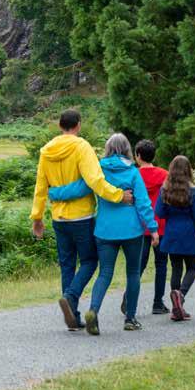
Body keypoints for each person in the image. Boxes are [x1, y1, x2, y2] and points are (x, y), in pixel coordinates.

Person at [30, 111, 134, 331]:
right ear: (78, 125)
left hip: (59, 218)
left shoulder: (46, 151)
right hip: (82, 217)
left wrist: (37, 217)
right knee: (90, 261)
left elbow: (40, 187)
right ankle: (70, 297)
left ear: (60, 125)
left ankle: (73, 316)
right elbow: (95, 180)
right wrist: (118, 195)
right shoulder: (82, 147)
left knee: (67, 265)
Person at [49, 133, 158, 334]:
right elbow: (143, 203)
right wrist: (153, 229)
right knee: (133, 273)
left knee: (105, 273)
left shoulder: (98, 170)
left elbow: (79, 189)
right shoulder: (133, 172)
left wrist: (53, 193)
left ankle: (93, 311)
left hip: (105, 231)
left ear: (107, 149)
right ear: (128, 150)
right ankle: (130, 319)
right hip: (131, 230)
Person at [155, 155, 195, 322]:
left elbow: (159, 212)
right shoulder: (192, 191)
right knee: (192, 268)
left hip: (171, 233)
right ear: (188, 171)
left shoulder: (165, 190)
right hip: (188, 234)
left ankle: (176, 308)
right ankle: (181, 296)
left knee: (176, 268)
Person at [120, 139, 169, 316]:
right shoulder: (164, 175)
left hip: (139, 225)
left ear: (138, 155)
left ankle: (128, 297)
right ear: (153, 155)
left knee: (138, 265)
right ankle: (158, 303)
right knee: (161, 264)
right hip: (160, 225)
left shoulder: (132, 175)